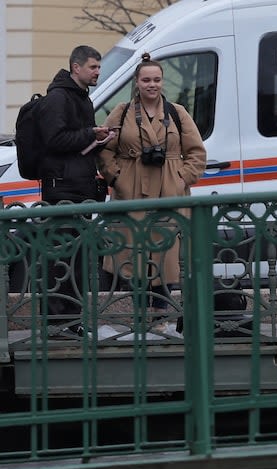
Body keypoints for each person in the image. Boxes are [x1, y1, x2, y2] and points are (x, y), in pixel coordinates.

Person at [98, 57, 208, 338]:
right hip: (130, 192)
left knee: (165, 255)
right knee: (133, 255)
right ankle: (138, 317)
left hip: (168, 192)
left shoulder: (177, 112)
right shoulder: (121, 113)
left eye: (157, 79)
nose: (152, 85)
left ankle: (160, 318)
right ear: (137, 82)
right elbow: (104, 150)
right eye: (146, 80)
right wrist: (117, 178)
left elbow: (197, 153)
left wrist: (182, 178)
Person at [35, 46, 115, 337]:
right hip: (63, 191)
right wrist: (89, 134)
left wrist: (99, 139)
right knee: (62, 260)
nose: (97, 72)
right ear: (76, 67)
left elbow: (77, 144)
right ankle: (58, 324)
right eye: (93, 67)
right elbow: (54, 140)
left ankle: (72, 320)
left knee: (78, 259)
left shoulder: (79, 97)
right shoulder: (58, 98)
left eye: (98, 67)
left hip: (78, 188)